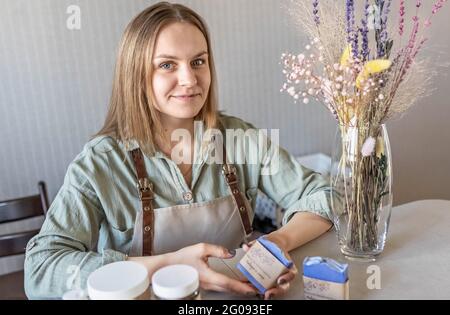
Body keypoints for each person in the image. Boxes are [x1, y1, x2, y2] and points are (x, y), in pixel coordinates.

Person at [24, 2, 333, 300]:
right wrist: (169, 264)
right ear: (136, 75)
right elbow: (40, 270)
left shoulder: (240, 139)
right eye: (167, 65)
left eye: (198, 61)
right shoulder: (100, 163)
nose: (189, 79)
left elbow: (324, 197)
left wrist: (276, 244)